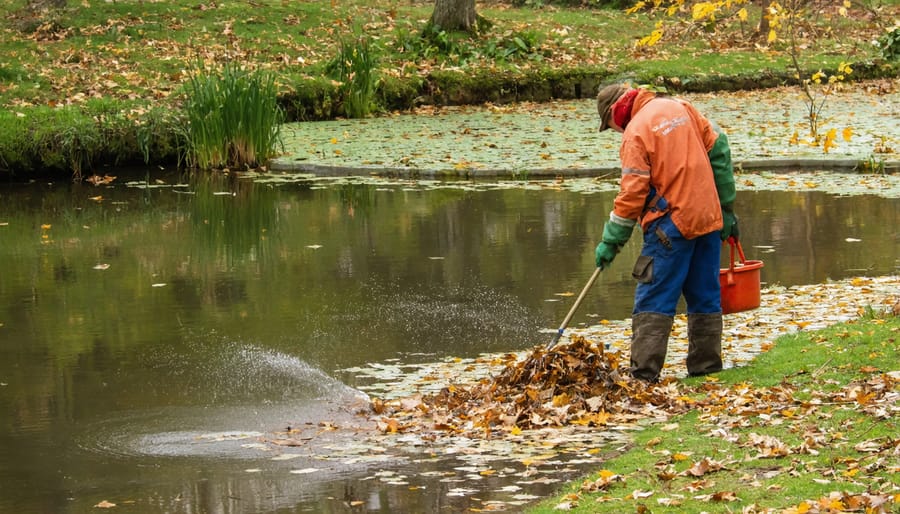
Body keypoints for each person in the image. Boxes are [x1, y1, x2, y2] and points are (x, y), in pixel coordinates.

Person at [593, 83, 738, 382]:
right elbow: (720, 148)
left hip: (670, 227)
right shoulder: (679, 106)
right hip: (709, 218)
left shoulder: (636, 132)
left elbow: (632, 195)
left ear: (615, 114)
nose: (617, 132)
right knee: (705, 295)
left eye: (611, 127)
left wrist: (611, 241)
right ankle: (706, 369)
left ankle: (644, 375)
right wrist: (727, 210)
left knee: (654, 295)